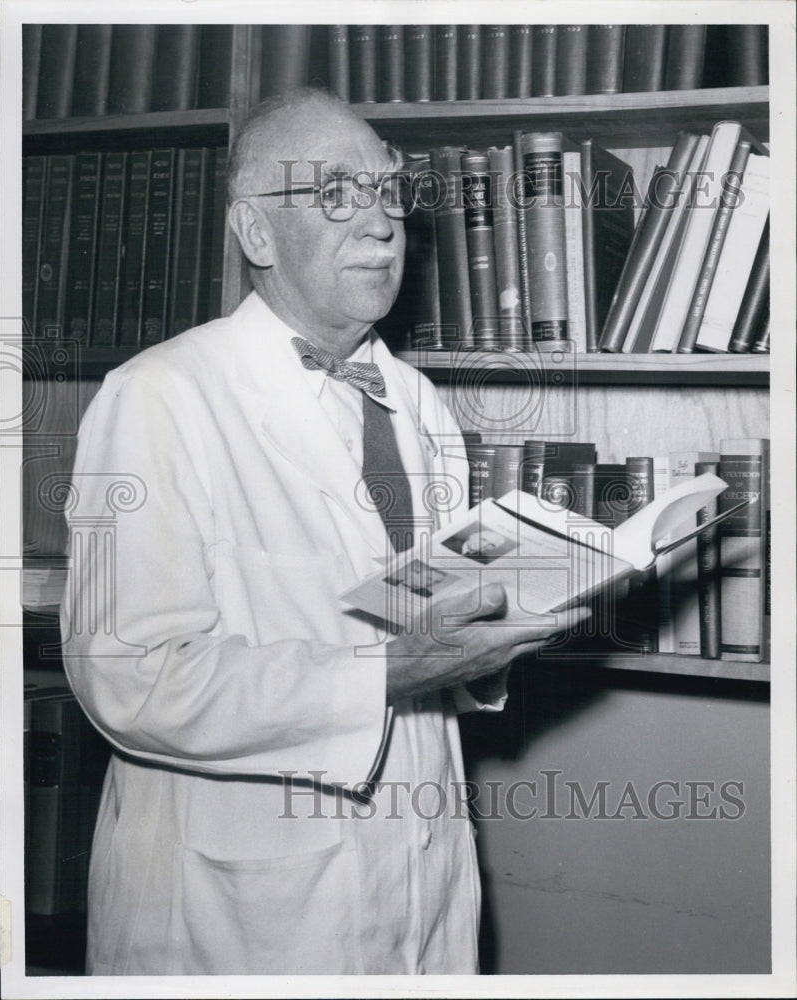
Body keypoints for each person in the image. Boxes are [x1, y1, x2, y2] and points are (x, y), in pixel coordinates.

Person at [60, 88, 587, 976]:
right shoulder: (159, 396)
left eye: (389, 189)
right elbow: (126, 677)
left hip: (419, 876)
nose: (383, 220)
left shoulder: (414, 400)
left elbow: (416, 619)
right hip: (243, 919)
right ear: (255, 235)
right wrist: (386, 670)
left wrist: (496, 628)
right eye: (337, 191)